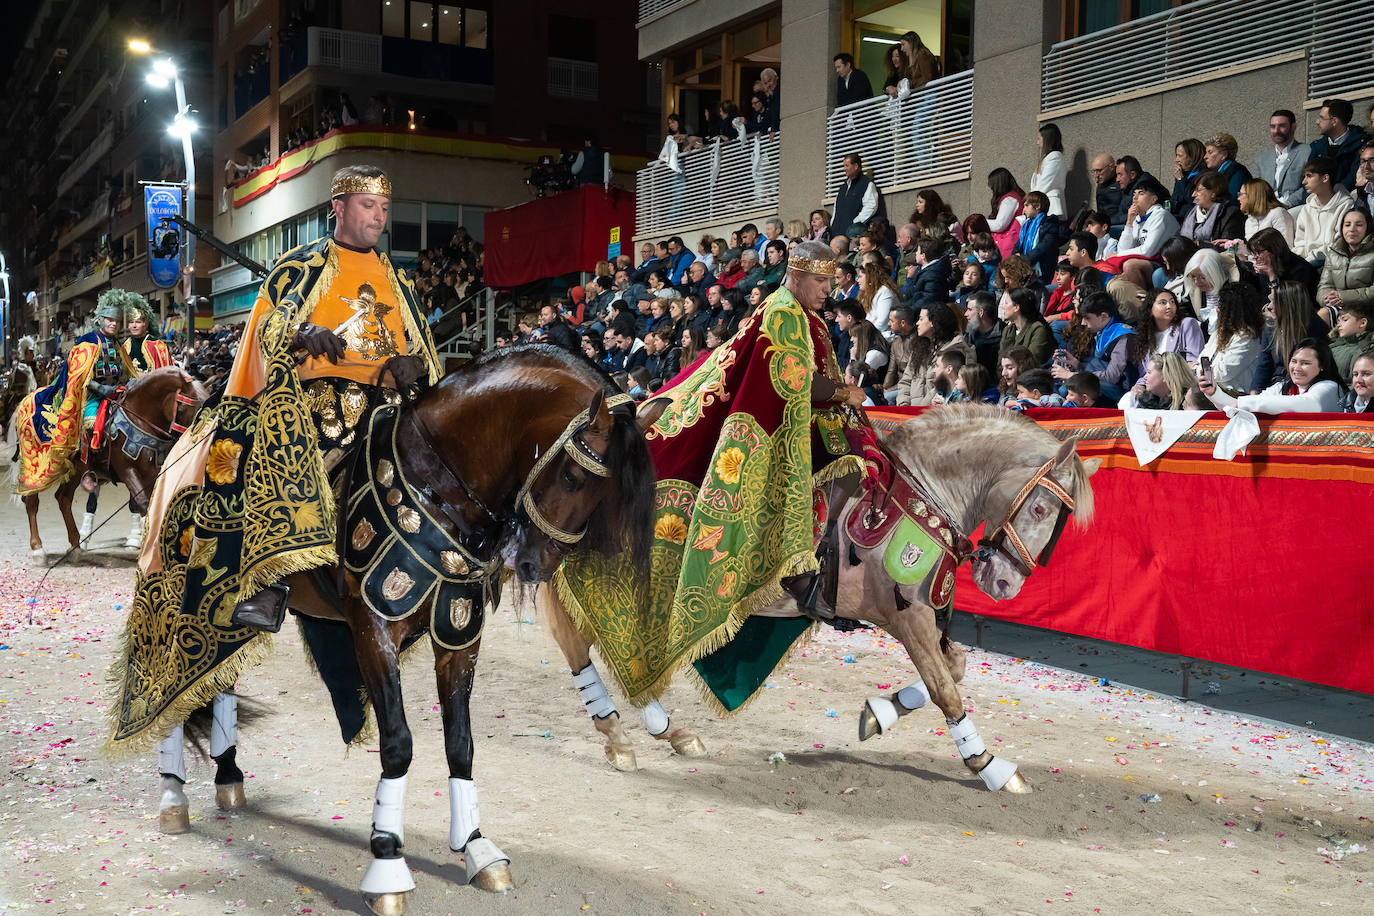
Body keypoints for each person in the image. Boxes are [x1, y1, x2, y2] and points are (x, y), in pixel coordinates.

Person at [150, 164, 439, 632]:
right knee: (278, 457)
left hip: (389, 407)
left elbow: (424, 347)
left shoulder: (397, 280)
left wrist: (416, 365)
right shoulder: (301, 266)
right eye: (369, 205)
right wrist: (303, 331)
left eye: (384, 208)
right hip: (318, 403)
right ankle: (269, 579)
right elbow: (266, 327)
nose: (379, 217)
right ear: (339, 208)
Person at [1202, 337, 1343, 413]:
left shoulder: (1330, 387)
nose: (1297, 368)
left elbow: (1308, 404)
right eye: (1294, 361)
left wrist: (1248, 403)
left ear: (1322, 366)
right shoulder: (1283, 387)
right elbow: (1240, 408)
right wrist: (1214, 393)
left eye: (1305, 363)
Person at [1050, 291, 1137, 403]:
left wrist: (1073, 375)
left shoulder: (1122, 337)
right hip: (1106, 384)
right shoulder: (1103, 331)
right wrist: (1077, 364)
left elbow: (1111, 377)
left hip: (1121, 390)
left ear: (1103, 316)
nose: (1083, 323)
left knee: (1070, 388)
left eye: (1087, 318)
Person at [1198, 278, 1266, 395]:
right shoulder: (1221, 331)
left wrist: (1201, 371)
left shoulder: (1248, 337)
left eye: (1220, 305)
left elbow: (1223, 372)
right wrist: (1201, 370)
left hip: (1235, 394)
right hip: (1213, 388)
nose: (1217, 310)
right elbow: (1203, 358)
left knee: (1192, 396)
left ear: (1233, 310)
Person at [1293, 155, 1354, 266]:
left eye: (1309, 176)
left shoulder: (1345, 206)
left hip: (1332, 263)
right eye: (1304, 176)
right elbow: (1300, 244)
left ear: (1325, 178)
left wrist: (1309, 261)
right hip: (1307, 263)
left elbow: (1339, 245)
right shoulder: (1307, 209)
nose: (1304, 182)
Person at [1318, 209, 1374, 317]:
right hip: (1339, 307)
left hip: (1366, 309)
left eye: (1359, 225)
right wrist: (1327, 299)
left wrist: (1342, 297)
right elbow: (1324, 285)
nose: (1352, 229)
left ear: (1368, 228)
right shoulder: (1334, 252)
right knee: (1320, 316)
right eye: (1347, 224)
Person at [1309, 98, 1369, 194]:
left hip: (1345, 199)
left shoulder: (1360, 144)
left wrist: (1331, 196)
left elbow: (1352, 179)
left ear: (1334, 121)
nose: (1317, 121)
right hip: (1315, 199)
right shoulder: (1317, 146)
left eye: (1321, 118)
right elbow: (1307, 177)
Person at [1252, 110, 1309, 207]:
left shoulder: (1306, 152)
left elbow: (1309, 186)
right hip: (1266, 209)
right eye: (1272, 127)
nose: (1276, 131)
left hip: (1295, 208)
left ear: (1293, 127)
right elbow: (1256, 188)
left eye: (1282, 126)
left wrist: (1287, 204)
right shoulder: (1261, 158)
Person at [1141, 287, 1204, 372]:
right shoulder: (1146, 335)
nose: (1169, 306)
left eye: (1172, 302)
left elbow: (1194, 364)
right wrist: (1140, 385)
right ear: (1150, 309)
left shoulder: (1187, 324)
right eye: (1163, 302)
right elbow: (1145, 374)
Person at [1013, 190, 1068, 281]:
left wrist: (1025, 258)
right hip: (1025, 268)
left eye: (1026, 206)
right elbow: (1019, 243)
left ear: (1038, 206)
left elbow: (1044, 246)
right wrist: (1015, 257)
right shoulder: (1027, 225)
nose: (1023, 210)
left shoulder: (1050, 224)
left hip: (1042, 269)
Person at [1179, 171, 1245, 246]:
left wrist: (1198, 244)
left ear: (1214, 192)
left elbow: (1229, 246)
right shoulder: (1191, 212)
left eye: (1199, 190)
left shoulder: (1230, 213)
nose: (1193, 195)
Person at [1119, 351, 1200, 410]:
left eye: (1149, 372)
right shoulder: (1145, 400)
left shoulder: (1188, 401)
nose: (1144, 377)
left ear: (1165, 375)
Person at [997, 286, 1055, 366]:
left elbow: (1031, 363)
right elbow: (1000, 361)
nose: (1003, 307)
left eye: (1006, 303)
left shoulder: (1038, 330)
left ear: (1016, 307)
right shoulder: (1008, 330)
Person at [830, 152, 882, 237]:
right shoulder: (843, 187)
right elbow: (836, 208)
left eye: (847, 166)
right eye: (844, 166)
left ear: (856, 166)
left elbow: (871, 207)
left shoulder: (866, 184)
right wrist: (833, 224)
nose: (844, 169)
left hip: (852, 235)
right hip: (836, 233)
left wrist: (854, 224)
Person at [1236, 179, 1295, 248]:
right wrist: (1236, 248)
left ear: (1253, 195)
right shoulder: (1249, 221)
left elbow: (1286, 248)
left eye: (1240, 194)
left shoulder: (1278, 213)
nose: (1238, 198)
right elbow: (1252, 254)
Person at [122, 297, 172, 376]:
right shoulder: (124, 345)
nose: (134, 326)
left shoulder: (157, 345)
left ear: (145, 324)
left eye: (138, 322)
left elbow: (167, 375)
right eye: (131, 322)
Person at [1029, 123, 1067, 218]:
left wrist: (1031, 202)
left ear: (1047, 139)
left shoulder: (1055, 157)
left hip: (1051, 209)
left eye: (1039, 139)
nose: (1037, 143)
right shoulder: (1048, 157)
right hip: (1042, 207)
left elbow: (1045, 183)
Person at [902, 237, 952, 308]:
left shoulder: (934, 276)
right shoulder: (921, 268)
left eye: (917, 251)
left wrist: (908, 311)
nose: (916, 253)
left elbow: (927, 300)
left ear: (923, 256)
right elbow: (911, 291)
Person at [963, 290, 1002, 380]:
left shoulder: (1004, 335)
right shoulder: (969, 335)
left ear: (981, 312)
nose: (965, 314)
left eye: (970, 310)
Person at [986, 167, 1024, 259]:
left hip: (1008, 245)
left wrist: (982, 221)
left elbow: (1000, 225)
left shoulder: (1009, 200)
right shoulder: (1013, 197)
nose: (991, 188)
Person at [1330, 303, 1374, 380]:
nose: (1339, 325)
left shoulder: (1369, 349)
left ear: (1362, 323)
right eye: (1338, 321)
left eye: (1345, 320)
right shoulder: (1332, 347)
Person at [1203, 133, 1252, 198]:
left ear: (1224, 155)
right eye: (1206, 153)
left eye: (1210, 152)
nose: (1205, 157)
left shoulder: (1238, 173)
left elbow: (1233, 201)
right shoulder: (1213, 174)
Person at [857, 262, 899, 338]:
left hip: (883, 338)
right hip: (872, 335)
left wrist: (864, 335)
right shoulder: (870, 293)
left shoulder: (885, 292)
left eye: (860, 277)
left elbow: (882, 323)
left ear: (869, 277)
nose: (858, 280)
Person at [1169, 138, 1206, 219]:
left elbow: (1190, 198)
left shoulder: (1204, 175)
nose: (1177, 160)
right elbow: (1175, 199)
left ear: (1192, 157)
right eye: (1176, 155)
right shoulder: (1184, 174)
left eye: (1180, 156)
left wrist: (1181, 179)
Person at [1090, 154, 1124, 225]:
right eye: (1094, 171)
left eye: (1099, 170)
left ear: (1111, 167)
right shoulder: (1102, 181)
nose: (1097, 175)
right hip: (1103, 223)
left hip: (1118, 224)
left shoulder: (1121, 181)